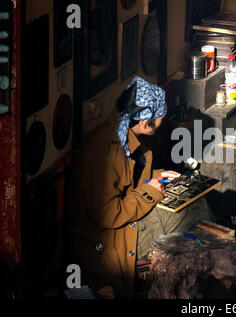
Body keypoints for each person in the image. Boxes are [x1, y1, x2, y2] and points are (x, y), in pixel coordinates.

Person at [66, 76, 214, 298]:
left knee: (194, 204)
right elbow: (108, 216)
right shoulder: (103, 152)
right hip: (108, 237)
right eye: (161, 119)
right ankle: (197, 279)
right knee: (186, 218)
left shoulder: (122, 135)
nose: (163, 123)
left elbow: (128, 182)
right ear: (145, 122)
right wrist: (151, 190)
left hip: (124, 217)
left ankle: (198, 275)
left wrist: (158, 177)